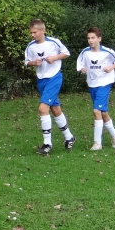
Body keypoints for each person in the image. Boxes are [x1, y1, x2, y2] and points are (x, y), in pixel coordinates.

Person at [24, 19, 75, 155]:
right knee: (55, 109)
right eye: (31, 33)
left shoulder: (53, 42)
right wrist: (33, 62)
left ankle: (47, 144)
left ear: (42, 31)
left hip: (54, 78)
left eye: (34, 32)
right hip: (41, 80)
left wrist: (55, 57)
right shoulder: (30, 46)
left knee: (42, 109)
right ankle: (69, 137)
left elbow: (67, 53)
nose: (32, 35)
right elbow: (27, 62)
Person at [76, 27, 115, 151]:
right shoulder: (85, 52)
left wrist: (111, 67)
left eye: (93, 38)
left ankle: (97, 143)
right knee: (103, 113)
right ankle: (114, 135)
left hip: (104, 83)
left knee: (96, 111)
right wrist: (82, 69)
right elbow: (80, 64)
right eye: (88, 38)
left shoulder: (107, 51)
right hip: (92, 84)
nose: (90, 40)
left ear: (99, 39)